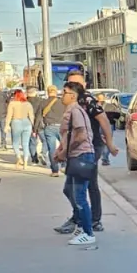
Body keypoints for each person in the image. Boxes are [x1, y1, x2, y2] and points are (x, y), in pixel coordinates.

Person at [52, 72, 116, 235]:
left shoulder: (87, 101)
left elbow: (102, 121)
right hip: (77, 150)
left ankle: (90, 221)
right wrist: (62, 149)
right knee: (72, 188)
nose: (71, 87)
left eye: (76, 84)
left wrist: (109, 143)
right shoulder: (73, 106)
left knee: (87, 185)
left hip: (89, 148)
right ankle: (81, 218)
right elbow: (69, 132)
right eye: (69, 83)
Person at [52, 81, 97, 247]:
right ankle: (81, 223)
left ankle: (88, 232)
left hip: (82, 156)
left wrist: (65, 151)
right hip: (75, 156)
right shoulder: (70, 110)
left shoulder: (75, 110)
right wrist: (61, 150)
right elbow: (69, 135)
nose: (61, 95)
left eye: (64, 92)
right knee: (68, 190)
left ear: (72, 95)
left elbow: (80, 135)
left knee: (79, 196)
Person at [37, 85, 66, 177]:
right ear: (56, 92)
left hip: (49, 127)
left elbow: (39, 117)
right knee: (64, 147)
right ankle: (64, 165)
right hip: (62, 127)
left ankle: (55, 171)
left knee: (51, 149)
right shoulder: (63, 102)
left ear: (47, 92)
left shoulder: (43, 102)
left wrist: (35, 129)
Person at [3, 88, 35, 169]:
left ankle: (19, 158)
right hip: (27, 123)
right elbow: (31, 116)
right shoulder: (28, 104)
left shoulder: (12, 103)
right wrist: (33, 126)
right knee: (25, 144)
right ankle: (25, 163)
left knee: (15, 143)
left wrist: (7, 125)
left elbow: (9, 115)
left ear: (15, 95)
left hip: (16, 122)